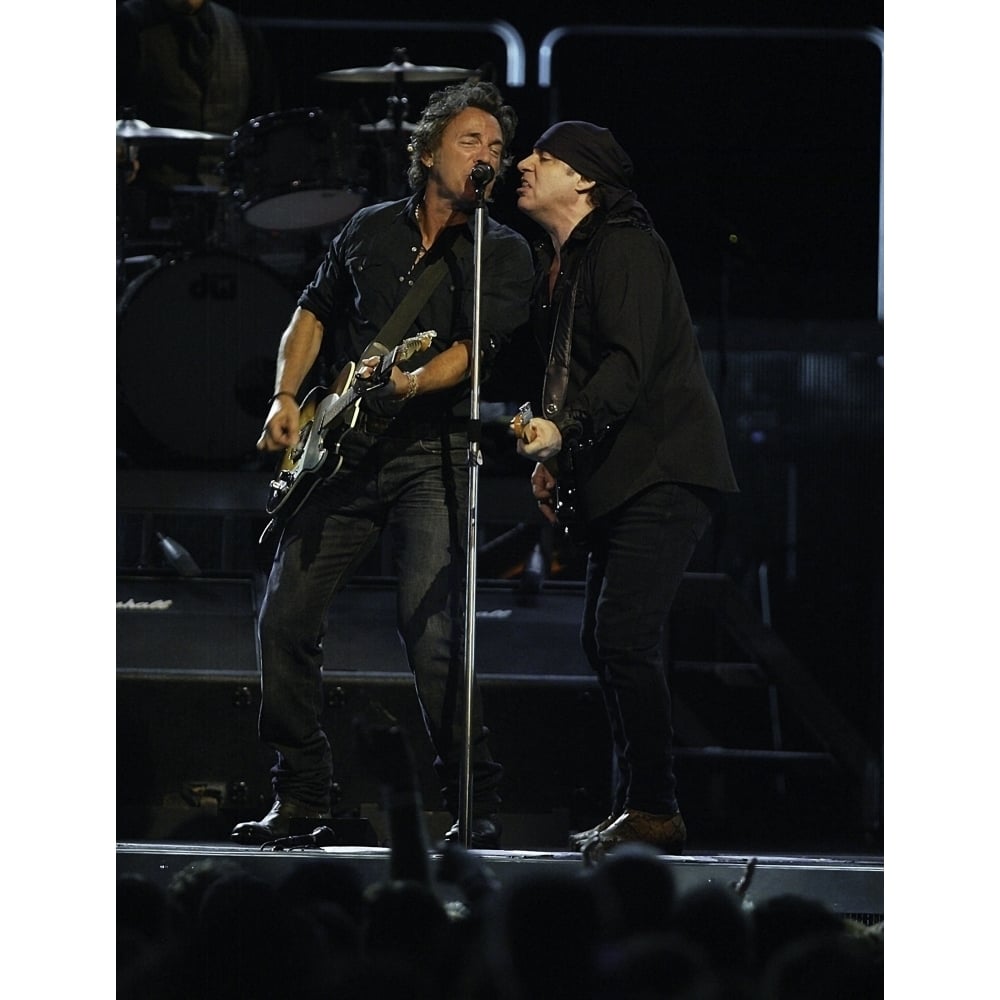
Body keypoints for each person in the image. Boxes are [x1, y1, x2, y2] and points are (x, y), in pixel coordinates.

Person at [230, 80, 534, 849]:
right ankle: (301, 793)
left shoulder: (500, 250)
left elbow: (474, 352)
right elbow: (314, 310)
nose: (486, 156)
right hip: (344, 455)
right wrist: (285, 397)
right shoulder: (367, 229)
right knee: (285, 615)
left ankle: (473, 798)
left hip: (434, 454)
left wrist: (412, 381)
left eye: (496, 147)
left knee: (431, 631)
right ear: (428, 150)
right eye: (471, 141)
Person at [512, 121, 739, 857]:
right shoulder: (571, 261)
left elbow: (627, 365)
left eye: (540, 158)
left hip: (665, 469)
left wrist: (564, 429)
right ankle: (635, 807)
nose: (522, 165)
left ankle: (655, 808)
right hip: (624, 475)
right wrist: (558, 459)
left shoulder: (626, 246)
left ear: (582, 178)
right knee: (604, 638)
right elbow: (574, 371)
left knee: (623, 635)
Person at [116, 0, 280, 247]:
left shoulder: (241, 30)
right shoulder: (125, 24)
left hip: (226, 208)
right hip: (148, 205)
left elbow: (267, 122)